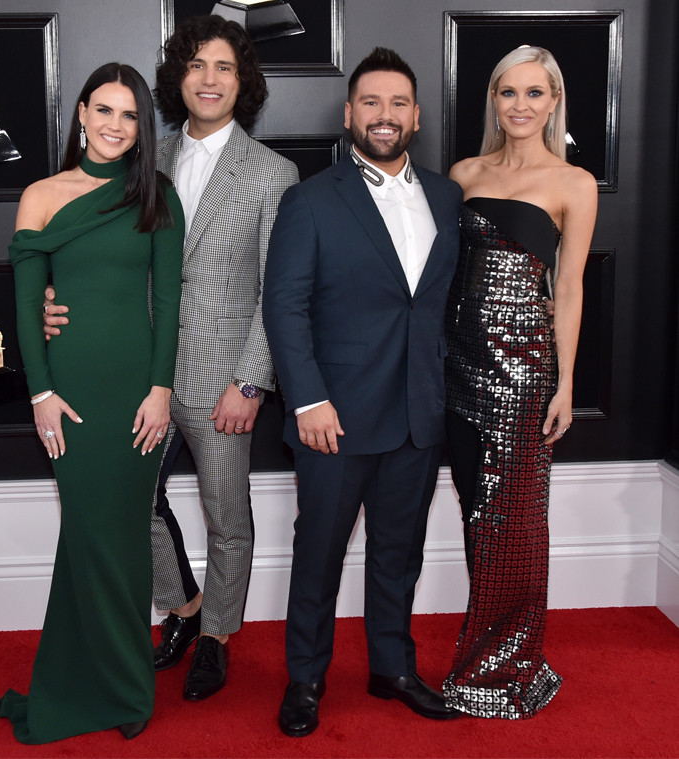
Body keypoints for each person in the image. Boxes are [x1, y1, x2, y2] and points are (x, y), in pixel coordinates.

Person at [43, 15, 298, 701]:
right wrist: (51, 300)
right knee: (134, 500)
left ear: (242, 82)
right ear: (178, 79)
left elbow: (280, 288)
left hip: (223, 374)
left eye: (224, 67)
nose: (209, 79)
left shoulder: (274, 173)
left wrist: (253, 379)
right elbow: (88, 251)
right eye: (196, 66)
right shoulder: (140, 158)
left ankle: (216, 636)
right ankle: (184, 607)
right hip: (137, 368)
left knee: (226, 514)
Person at [263, 47, 463, 738]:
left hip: (417, 412)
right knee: (318, 552)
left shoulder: (446, 196)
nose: (385, 116)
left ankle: (392, 667)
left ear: (416, 115)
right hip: (334, 418)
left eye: (398, 103)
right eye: (372, 103)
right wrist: (308, 399)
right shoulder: (311, 199)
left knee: (398, 551)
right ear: (350, 114)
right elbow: (283, 306)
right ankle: (307, 678)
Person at [0, 63, 183, 743]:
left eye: (129, 116)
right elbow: (24, 305)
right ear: (80, 113)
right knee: (87, 533)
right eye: (104, 110)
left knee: (122, 539)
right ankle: (88, 679)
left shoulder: (156, 195)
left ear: (142, 128)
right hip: (68, 392)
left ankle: (126, 686)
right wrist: (40, 391)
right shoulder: (40, 195)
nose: (114, 125)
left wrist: (161, 391)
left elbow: (170, 303)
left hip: (136, 393)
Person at [441, 46, 597, 719]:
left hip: (526, 375)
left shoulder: (574, 183)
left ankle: (507, 662)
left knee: (516, 523)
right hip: (456, 368)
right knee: (475, 516)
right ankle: (487, 641)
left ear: (554, 100)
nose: (521, 106)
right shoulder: (464, 173)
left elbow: (569, 286)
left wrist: (564, 384)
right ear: (494, 101)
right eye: (509, 93)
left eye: (535, 93)